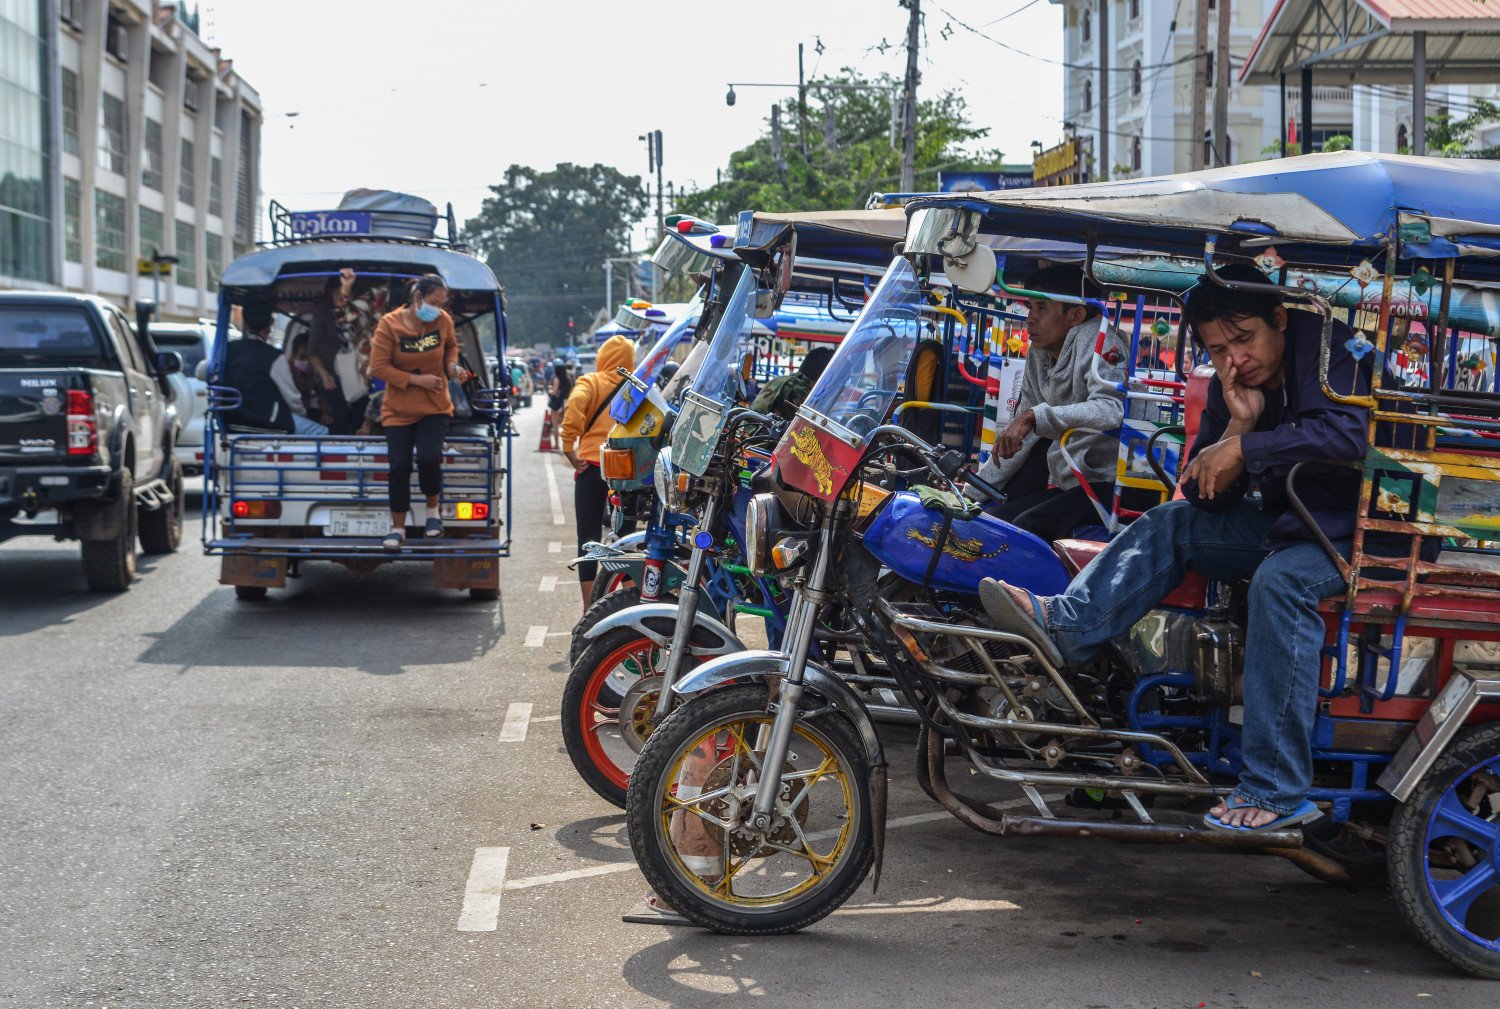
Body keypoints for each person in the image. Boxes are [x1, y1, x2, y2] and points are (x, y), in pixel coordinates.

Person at [980, 263, 1377, 833]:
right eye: (1217, 350)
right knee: (1172, 521)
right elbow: (1200, 493)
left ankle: (1277, 790)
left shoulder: (1330, 350)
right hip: (1291, 522)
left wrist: (1249, 447)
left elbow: (1348, 435)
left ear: (1280, 320)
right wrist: (1236, 431)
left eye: (1244, 340)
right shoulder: (1231, 382)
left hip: (1361, 531)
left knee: (1281, 581)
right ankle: (1065, 628)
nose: (1233, 360)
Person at [976, 265, 1127, 541]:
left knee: (1027, 528)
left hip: (1112, 482)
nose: (1030, 319)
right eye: (1030, 307)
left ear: (1076, 315)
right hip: (1072, 479)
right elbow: (1022, 437)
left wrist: (1035, 416)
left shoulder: (1099, 340)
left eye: (1041, 308)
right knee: (992, 522)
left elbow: (1111, 409)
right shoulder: (1039, 354)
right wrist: (972, 493)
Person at [368, 274, 471, 550]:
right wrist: (416, 380)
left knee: (429, 457)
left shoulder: (443, 321)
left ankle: (433, 513)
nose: (438, 309)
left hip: (435, 405)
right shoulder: (389, 325)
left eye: (442, 304)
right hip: (398, 410)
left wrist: (451, 367)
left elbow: (451, 347)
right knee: (399, 467)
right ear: (417, 298)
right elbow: (377, 368)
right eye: (434, 302)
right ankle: (397, 527)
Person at [559, 335, 636, 607]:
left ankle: (589, 609)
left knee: (588, 538)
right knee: (627, 540)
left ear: (602, 357)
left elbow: (575, 406)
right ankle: (631, 604)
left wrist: (569, 446)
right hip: (626, 472)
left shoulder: (590, 382)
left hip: (591, 466)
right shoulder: (637, 386)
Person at [221, 301, 295, 433]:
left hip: (231, 423)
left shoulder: (227, 350)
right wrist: (303, 412)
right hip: (270, 427)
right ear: (271, 323)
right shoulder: (274, 356)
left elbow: (204, 372)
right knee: (321, 432)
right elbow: (292, 398)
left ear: (246, 321)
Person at [269, 329, 331, 436]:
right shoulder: (286, 371)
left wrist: (325, 412)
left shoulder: (312, 374)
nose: (306, 362)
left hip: (303, 412)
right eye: (302, 357)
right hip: (289, 415)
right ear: (293, 356)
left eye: (309, 358)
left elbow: (320, 394)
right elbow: (292, 400)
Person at [750, 346, 835, 419]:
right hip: (757, 435)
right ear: (826, 374)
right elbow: (811, 425)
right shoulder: (798, 390)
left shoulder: (781, 380)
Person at [547, 359, 572, 449]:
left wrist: (550, 390)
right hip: (566, 403)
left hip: (557, 405)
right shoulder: (568, 380)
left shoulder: (556, 379)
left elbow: (554, 392)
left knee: (555, 425)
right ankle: (568, 446)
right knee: (566, 427)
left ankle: (557, 444)